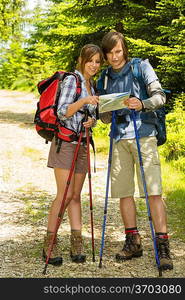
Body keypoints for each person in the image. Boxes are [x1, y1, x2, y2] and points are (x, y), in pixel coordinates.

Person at [97, 31, 173, 271]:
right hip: (118, 138)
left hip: (144, 135)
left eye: (118, 51)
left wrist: (142, 104)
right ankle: (133, 242)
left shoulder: (141, 67)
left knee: (153, 191)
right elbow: (104, 118)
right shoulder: (105, 78)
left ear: (124, 50)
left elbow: (160, 97)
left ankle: (162, 246)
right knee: (124, 193)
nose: (114, 57)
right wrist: (105, 112)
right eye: (109, 53)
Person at [43, 44, 104, 265]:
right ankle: (50, 241)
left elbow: (90, 115)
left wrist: (92, 121)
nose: (94, 65)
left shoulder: (92, 85)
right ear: (82, 60)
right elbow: (62, 111)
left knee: (76, 195)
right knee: (65, 194)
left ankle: (76, 241)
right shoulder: (72, 80)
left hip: (83, 143)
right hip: (66, 143)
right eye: (91, 60)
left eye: (98, 61)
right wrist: (84, 101)